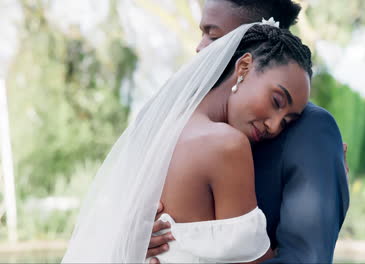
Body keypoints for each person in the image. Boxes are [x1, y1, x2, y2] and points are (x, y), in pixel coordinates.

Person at [62, 20, 314, 263]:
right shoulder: (227, 145)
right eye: (277, 101)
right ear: (244, 66)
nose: (273, 125)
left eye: (287, 122)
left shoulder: (158, 126)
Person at [147, 1, 350, 263]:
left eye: (214, 35)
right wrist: (137, 235)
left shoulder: (312, 130)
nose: (200, 47)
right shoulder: (174, 119)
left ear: (250, 46)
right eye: (203, 33)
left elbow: (307, 255)